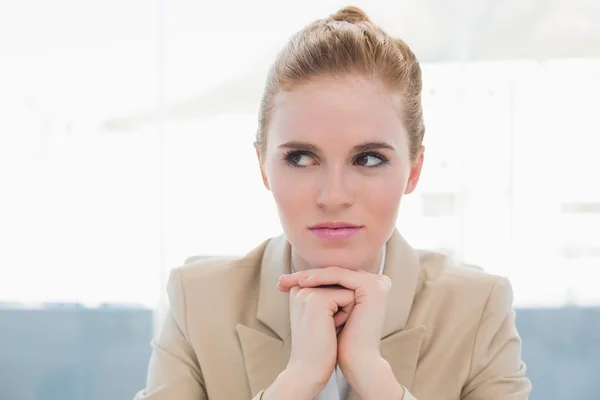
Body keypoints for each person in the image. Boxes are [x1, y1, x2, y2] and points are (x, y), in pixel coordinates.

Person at [134, 6, 531, 400]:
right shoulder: (199, 301)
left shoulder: (477, 309)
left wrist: (374, 376)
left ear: (413, 170)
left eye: (369, 159)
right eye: (302, 158)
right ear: (263, 166)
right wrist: (298, 380)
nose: (333, 196)